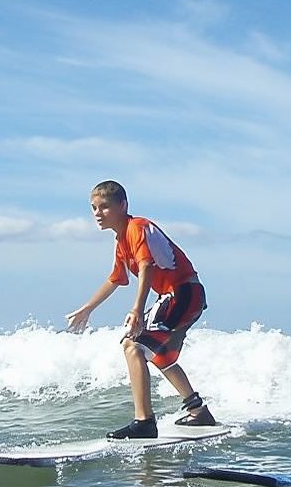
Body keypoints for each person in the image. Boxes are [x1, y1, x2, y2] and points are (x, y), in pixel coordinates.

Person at [66, 180, 216, 438]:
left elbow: (146, 267)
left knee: (133, 346)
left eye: (104, 207)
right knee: (160, 355)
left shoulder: (137, 227)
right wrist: (87, 309)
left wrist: (137, 309)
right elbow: (115, 278)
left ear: (123, 206)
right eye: (93, 208)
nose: (97, 214)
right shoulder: (122, 240)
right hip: (180, 295)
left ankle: (144, 422)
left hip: (182, 292)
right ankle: (198, 412)